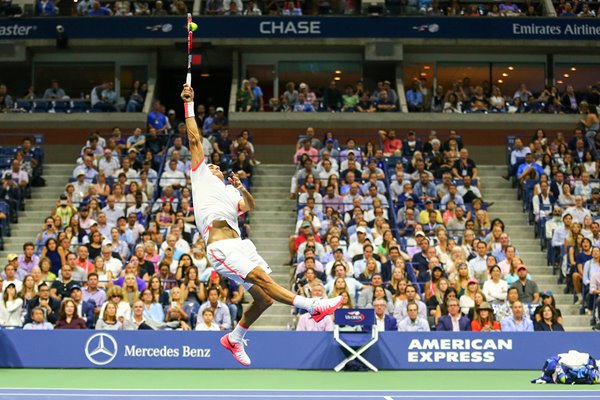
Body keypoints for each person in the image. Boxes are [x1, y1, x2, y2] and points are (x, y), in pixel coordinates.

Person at [181, 83, 341, 366]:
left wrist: (242, 190)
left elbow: (249, 207)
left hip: (240, 244)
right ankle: (313, 306)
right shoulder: (201, 176)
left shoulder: (230, 192)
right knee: (263, 279)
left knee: (265, 299)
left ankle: (234, 338)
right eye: (213, 165)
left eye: (217, 166)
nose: (215, 166)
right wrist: (189, 105)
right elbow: (194, 140)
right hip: (219, 248)